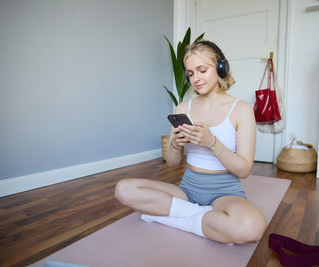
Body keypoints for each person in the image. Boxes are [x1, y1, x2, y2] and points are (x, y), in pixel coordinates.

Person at [114, 40, 266, 244]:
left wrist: (212, 142)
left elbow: (244, 170)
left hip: (225, 193)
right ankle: (200, 216)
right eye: (191, 73)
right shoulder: (183, 108)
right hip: (187, 190)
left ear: (221, 67)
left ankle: (177, 219)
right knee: (123, 189)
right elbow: (173, 163)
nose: (196, 79)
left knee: (250, 228)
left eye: (202, 70)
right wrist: (175, 144)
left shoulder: (241, 110)